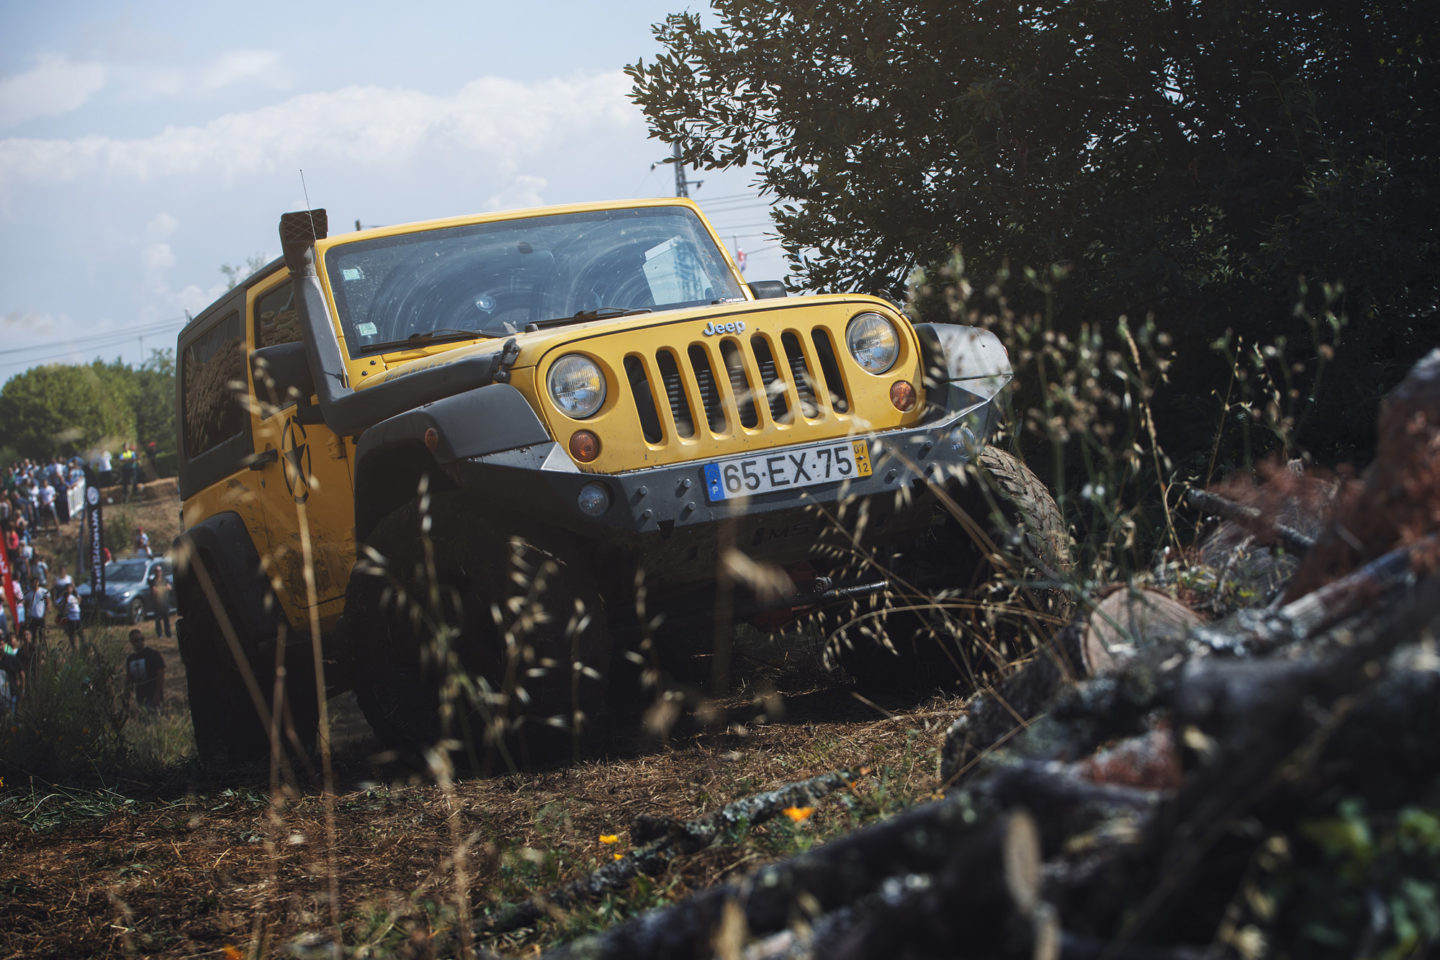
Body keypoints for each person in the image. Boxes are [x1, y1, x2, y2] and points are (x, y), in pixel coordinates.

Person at [125, 629, 165, 713]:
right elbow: (129, 678)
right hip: (140, 697)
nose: (140, 642)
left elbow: (160, 674)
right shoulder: (130, 659)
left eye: (141, 639)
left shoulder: (153, 654)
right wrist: (127, 696)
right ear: (131, 642)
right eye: (136, 640)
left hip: (153, 695)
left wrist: (157, 694)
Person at [147, 562, 172, 639]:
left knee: (166, 619)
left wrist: (160, 588)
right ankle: (159, 634)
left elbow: (169, 588)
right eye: (157, 571)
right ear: (155, 572)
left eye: (159, 571)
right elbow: (154, 591)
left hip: (165, 602)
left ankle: (168, 634)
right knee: (158, 619)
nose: (158, 572)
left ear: (161, 571)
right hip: (157, 603)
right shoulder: (153, 581)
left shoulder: (165, 579)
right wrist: (164, 588)